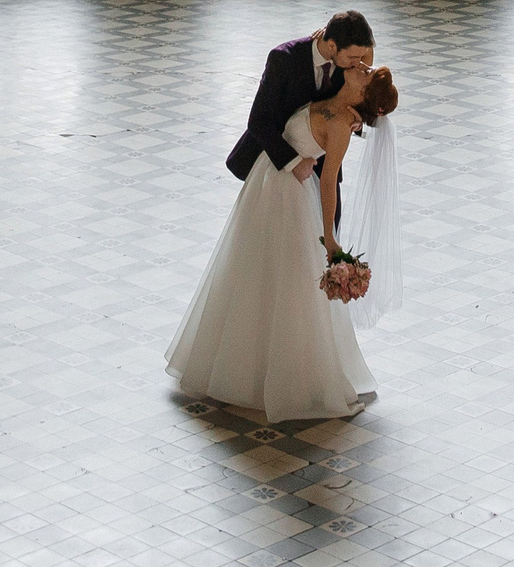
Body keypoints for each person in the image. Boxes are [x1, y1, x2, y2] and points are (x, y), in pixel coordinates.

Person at [168, 62, 402, 422]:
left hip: (289, 198)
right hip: (268, 183)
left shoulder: (340, 124)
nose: (363, 67)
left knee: (282, 282)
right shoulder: (334, 98)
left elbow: (328, 182)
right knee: (249, 271)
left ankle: (282, 378)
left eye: (368, 73)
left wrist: (330, 239)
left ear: (364, 93)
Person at [224, 11, 374, 182]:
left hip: (322, 166)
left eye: (361, 57)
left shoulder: (348, 67)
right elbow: (259, 120)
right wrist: (295, 163)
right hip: (277, 161)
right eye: (353, 57)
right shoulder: (283, 59)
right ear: (331, 46)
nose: (358, 63)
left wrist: (358, 120)